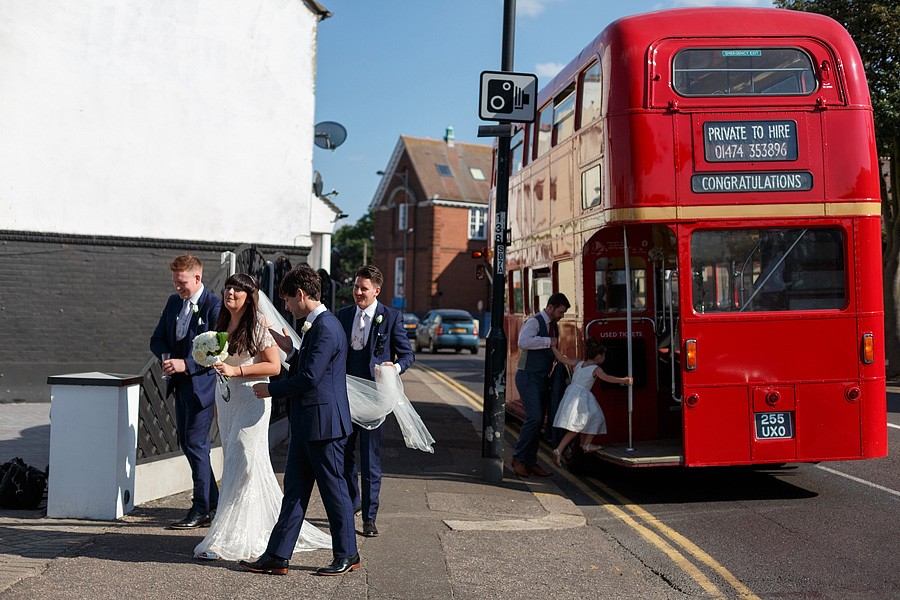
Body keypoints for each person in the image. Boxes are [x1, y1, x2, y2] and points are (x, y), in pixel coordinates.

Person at [193, 273, 331, 561]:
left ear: (249, 296)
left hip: (253, 398)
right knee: (235, 460)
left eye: (237, 290)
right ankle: (237, 529)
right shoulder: (220, 323)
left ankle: (229, 537)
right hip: (228, 399)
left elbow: (273, 366)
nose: (230, 293)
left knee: (242, 457)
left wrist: (236, 371)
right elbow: (222, 363)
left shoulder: (257, 326)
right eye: (227, 288)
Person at [241, 264, 359, 577]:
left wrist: (271, 388)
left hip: (324, 426)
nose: (287, 306)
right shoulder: (316, 326)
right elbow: (309, 367)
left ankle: (348, 554)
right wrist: (290, 351)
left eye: (289, 300)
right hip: (309, 424)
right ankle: (278, 556)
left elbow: (309, 378)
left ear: (302, 295)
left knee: (334, 492)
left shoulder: (325, 327)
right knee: (293, 492)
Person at [337, 265, 414, 538]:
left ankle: (369, 517)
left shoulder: (391, 317)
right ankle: (354, 499)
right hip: (344, 396)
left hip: (373, 399)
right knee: (342, 453)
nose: (358, 292)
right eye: (356, 286)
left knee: (371, 460)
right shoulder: (344, 316)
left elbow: (407, 355)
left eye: (363, 288)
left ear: (377, 291)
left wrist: (394, 368)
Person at [150, 254, 222, 529]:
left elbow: (218, 351)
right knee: (188, 443)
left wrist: (186, 364)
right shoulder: (173, 303)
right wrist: (167, 356)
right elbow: (156, 338)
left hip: (202, 388)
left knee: (196, 444)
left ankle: (201, 509)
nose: (178, 288)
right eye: (175, 283)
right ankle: (212, 498)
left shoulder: (214, 307)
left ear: (197, 278)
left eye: (182, 283)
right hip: (179, 385)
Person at [511, 292, 571, 478]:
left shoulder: (554, 326)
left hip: (541, 378)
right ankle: (518, 459)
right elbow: (523, 342)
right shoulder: (535, 322)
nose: (562, 315)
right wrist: (549, 341)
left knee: (539, 423)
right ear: (551, 307)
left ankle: (530, 463)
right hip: (527, 377)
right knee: (535, 418)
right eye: (560, 311)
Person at [548, 338, 633, 466]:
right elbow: (607, 378)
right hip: (582, 396)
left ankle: (571, 447)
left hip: (571, 394)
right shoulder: (595, 369)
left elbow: (562, 359)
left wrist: (554, 347)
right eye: (603, 355)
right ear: (599, 356)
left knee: (579, 424)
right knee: (595, 418)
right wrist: (624, 380)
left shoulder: (578, 363)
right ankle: (577, 446)